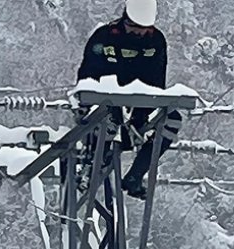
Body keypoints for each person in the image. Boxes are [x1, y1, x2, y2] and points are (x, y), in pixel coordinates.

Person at [76, 0, 183, 200]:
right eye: (134, 28)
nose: (139, 34)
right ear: (125, 21)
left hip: (138, 108)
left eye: (145, 30)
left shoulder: (156, 41)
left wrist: (142, 115)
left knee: (172, 119)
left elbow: (157, 84)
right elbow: (86, 78)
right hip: (102, 107)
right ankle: (94, 163)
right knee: (106, 120)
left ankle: (136, 174)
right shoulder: (104, 38)